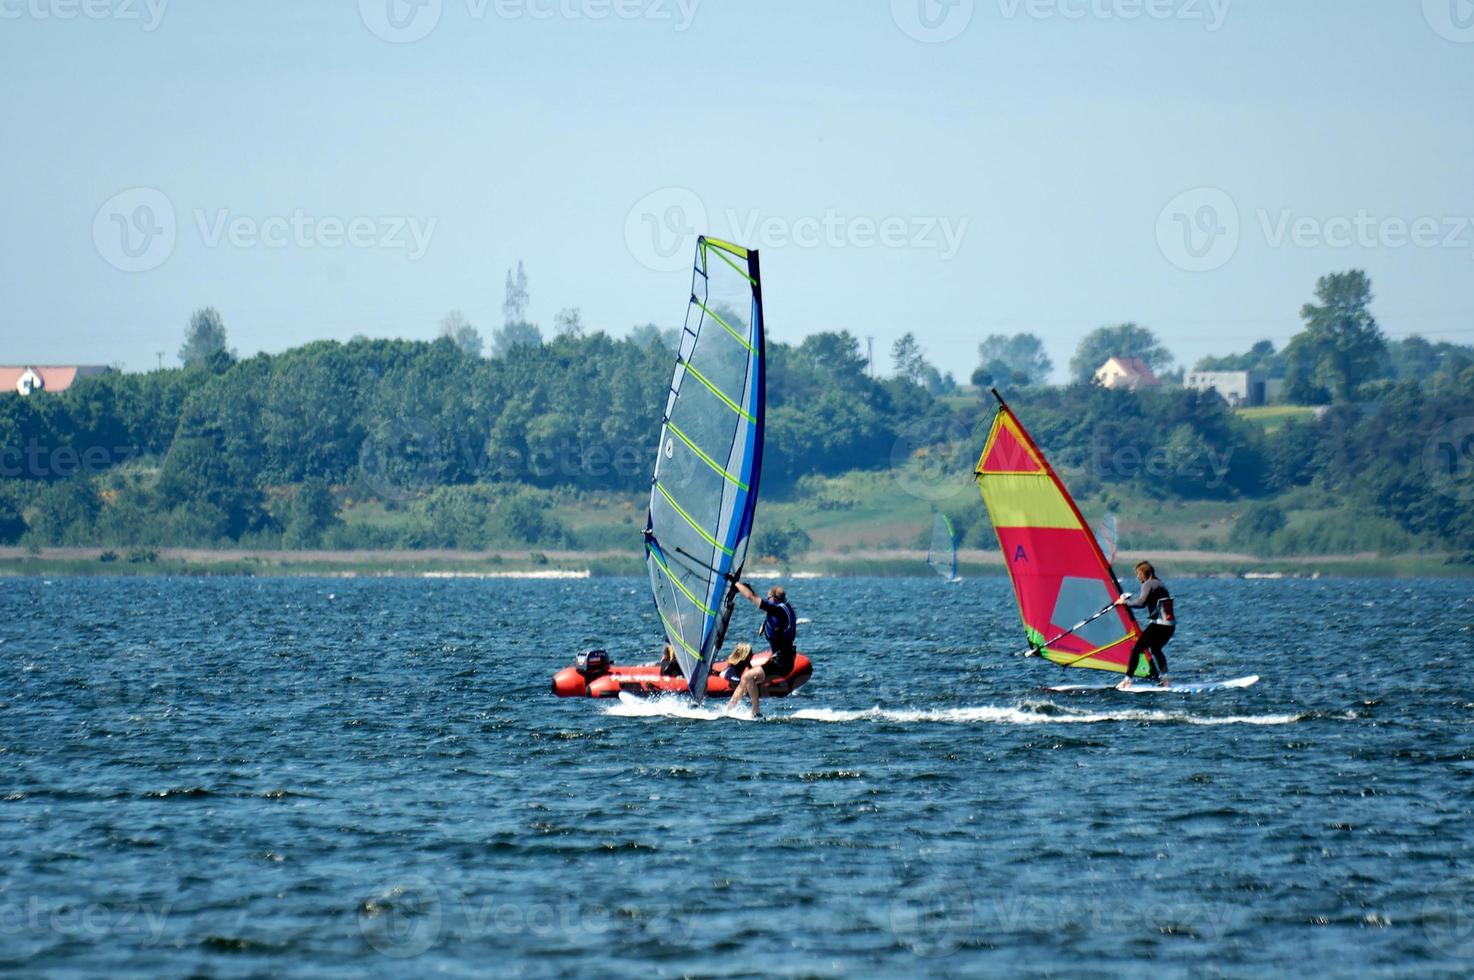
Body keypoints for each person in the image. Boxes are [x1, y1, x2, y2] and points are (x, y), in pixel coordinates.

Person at [725, 582, 798, 716]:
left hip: (782, 661)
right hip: (782, 659)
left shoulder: (778, 610)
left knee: (748, 676)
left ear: (773, 599)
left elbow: (751, 597)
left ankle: (756, 713)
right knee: (744, 681)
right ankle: (729, 709)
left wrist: (735, 583)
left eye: (768, 598)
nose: (767, 601)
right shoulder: (782, 609)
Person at [1114, 560, 1174, 690]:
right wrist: (1129, 601)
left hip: (1159, 625)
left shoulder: (1149, 583)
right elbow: (1146, 601)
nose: (1137, 577)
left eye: (1138, 573)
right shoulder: (1159, 584)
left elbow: (1141, 603)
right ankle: (1166, 680)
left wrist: (1124, 602)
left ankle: (1127, 681)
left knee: (1136, 650)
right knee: (1156, 649)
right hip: (1170, 626)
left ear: (1145, 573)